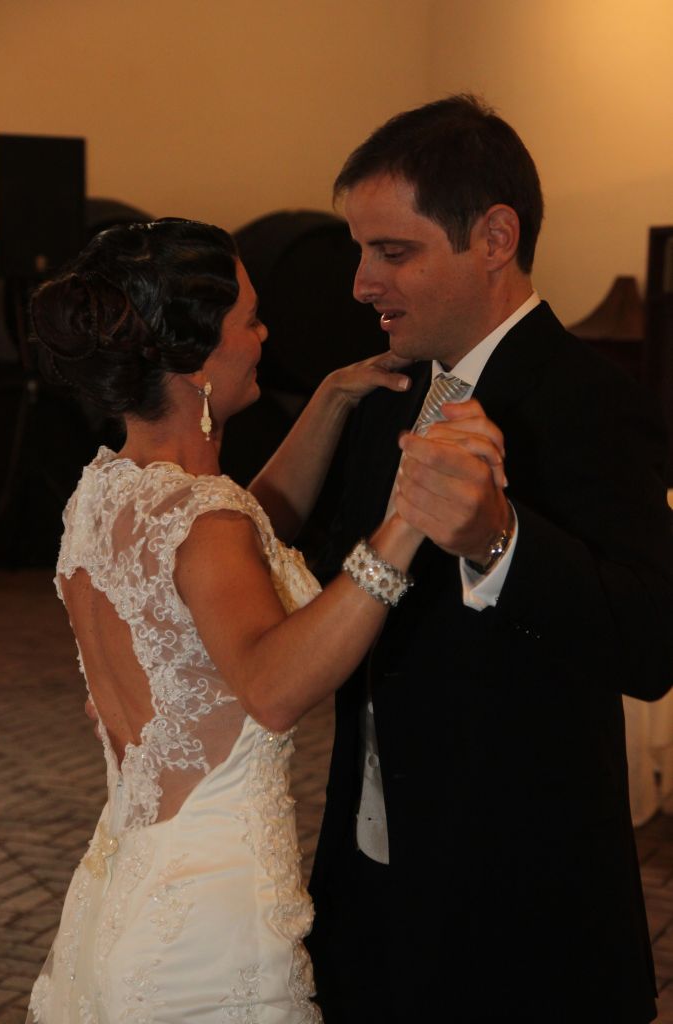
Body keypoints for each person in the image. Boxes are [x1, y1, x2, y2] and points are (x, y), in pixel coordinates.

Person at [25, 217, 459, 1023]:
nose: (264, 337)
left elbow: (240, 543)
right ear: (197, 360)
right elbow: (272, 687)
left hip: (128, 891)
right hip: (208, 931)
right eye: (250, 320)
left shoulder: (109, 491)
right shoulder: (202, 522)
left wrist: (329, 400)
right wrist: (407, 520)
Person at [306, 95, 673, 1023]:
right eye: (360, 250)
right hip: (371, 883)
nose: (360, 283)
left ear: (494, 238)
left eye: (392, 252)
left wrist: (499, 543)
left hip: (522, 910)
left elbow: (648, 645)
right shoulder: (389, 395)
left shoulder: (594, 400)